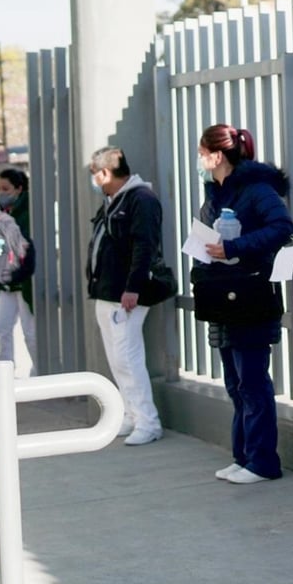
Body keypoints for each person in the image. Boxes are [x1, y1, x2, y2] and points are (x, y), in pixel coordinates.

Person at [196, 124, 293, 485]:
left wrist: (235, 247)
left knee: (252, 380)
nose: (200, 159)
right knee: (235, 382)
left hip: (250, 296)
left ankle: (263, 461)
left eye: (202, 152)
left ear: (217, 155)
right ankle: (243, 455)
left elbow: (282, 227)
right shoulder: (217, 193)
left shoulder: (256, 189)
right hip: (222, 294)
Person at [86, 147, 166, 446]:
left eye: (94, 174)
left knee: (128, 358)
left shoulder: (140, 199)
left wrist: (133, 287)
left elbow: (144, 245)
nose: (94, 180)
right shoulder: (113, 200)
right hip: (107, 292)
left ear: (105, 173)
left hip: (125, 294)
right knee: (117, 358)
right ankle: (132, 415)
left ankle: (148, 421)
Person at [0, 168, 38, 376]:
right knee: (2, 326)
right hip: (7, 280)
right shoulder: (1, 214)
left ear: (19, 189)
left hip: (22, 280)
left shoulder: (27, 213)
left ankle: (39, 371)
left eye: (6, 189)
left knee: (30, 331)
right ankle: (6, 373)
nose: (1, 193)